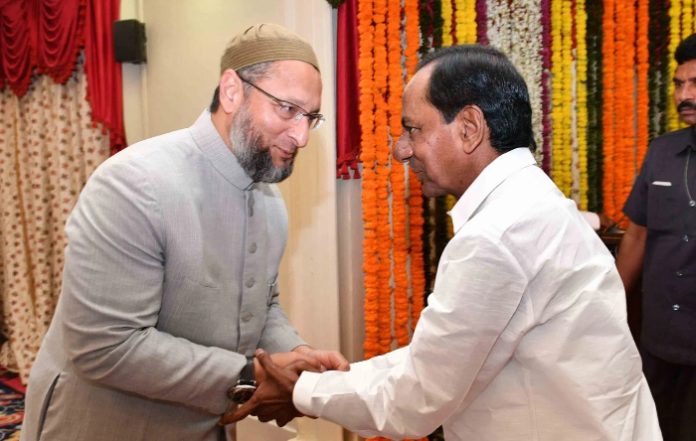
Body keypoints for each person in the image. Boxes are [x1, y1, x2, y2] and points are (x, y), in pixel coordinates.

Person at [221, 45, 662, 440]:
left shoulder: (497, 236)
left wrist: (302, 391)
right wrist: (335, 378)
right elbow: (444, 357)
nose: (401, 150)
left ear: (469, 128)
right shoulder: (528, 201)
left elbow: (419, 396)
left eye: (413, 129)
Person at [21, 23, 347, 441]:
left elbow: (260, 306)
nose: (301, 136)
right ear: (232, 91)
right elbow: (105, 346)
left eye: (310, 117)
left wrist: (297, 357)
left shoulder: (269, 203)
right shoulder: (135, 183)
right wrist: (251, 376)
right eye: (287, 109)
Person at [616, 33, 696, 441]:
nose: (684, 95)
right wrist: (609, 303)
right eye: (679, 84)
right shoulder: (662, 151)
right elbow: (636, 236)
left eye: (695, 84)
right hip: (657, 341)